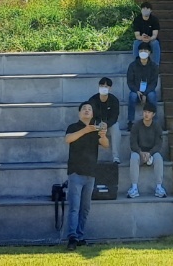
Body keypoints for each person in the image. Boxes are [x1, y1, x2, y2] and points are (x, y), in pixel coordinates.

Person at [63, 101, 110, 250]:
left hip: (90, 173)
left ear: (92, 114)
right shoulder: (73, 127)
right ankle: (72, 237)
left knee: (85, 208)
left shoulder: (95, 129)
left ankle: (80, 236)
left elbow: (106, 144)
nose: (87, 111)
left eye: (89, 109)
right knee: (74, 207)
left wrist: (103, 135)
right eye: (84, 109)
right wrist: (85, 130)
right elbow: (67, 139)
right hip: (75, 172)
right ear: (79, 113)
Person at [125, 101, 167, 199]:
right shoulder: (136, 125)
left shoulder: (157, 126)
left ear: (153, 114)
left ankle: (159, 187)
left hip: (152, 152)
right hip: (138, 151)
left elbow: (158, 144)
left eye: (149, 112)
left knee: (159, 158)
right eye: (145, 112)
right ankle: (134, 187)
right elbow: (133, 143)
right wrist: (140, 152)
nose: (146, 114)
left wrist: (150, 153)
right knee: (133, 158)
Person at [85, 77, 122, 163]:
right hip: (96, 124)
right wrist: (95, 126)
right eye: (102, 86)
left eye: (106, 86)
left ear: (110, 88)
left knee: (116, 127)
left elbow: (114, 117)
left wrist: (107, 124)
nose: (103, 88)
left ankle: (116, 157)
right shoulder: (93, 100)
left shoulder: (114, 100)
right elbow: (90, 117)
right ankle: (90, 158)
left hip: (109, 124)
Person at [126, 45, 161, 123]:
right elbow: (130, 81)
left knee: (152, 96)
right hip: (136, 91)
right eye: (141, 51)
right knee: (132, 96)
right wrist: (136, 91)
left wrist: (145, 93)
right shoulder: (132, 65)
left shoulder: (154, 66)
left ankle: (154, 121)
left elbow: (154, 83)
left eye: (145, 51)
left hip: (149, 91)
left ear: (149, 52)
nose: (143, 53)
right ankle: (130, 121)